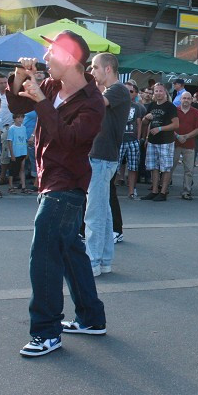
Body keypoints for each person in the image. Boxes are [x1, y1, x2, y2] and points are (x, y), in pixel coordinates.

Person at [6, 30, 106, 358]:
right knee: (70, 253)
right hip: (50, 180)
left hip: (66, 187)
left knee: (45, 254)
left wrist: (41, 101)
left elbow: (67, 140)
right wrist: (22, 76)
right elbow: (17, 102)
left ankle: (46, 331)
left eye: (51, 54)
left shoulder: (92, 103)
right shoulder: (52, 85)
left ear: (69, 58)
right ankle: (91, 318)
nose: (45, 59)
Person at [83, 53, 129, 277]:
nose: (92, 72)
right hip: (101, 156)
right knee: (104, 210)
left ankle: (92, 262)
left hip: (103, 157)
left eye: (94, 68)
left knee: (95, 213)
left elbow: (96, 104)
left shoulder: (118, 89)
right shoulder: (110, 91)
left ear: (108, 69)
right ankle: (104, 260)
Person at [140, 82, 179, 201]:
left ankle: (163, 192)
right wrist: (146, 118)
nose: (158, 93)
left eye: (160, 91)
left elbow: (176, 124)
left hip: (166, 141)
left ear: (165, 92)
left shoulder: (170, 106)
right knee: (154, 167)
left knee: (166, 167)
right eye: (156, 91)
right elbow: (144, 123)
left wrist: (160, 128)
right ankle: (154, 190)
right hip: (152, 140)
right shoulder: (152, 105)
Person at [172, 91, 198, 200]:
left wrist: (186, 136)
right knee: (170, 167)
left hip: (189, 145)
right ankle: (164, 189)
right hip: (175, 144)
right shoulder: (174, 111)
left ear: (192, 100)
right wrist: (177, 136)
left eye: (188, 98)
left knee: (189, 170)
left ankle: (187, 191)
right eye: (184, 98)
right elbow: (170, 126)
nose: (186, 100)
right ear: (180, 99)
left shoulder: (196, 112)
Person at [6, 112, 30, 194]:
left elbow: (25, 140)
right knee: (12, 169)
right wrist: (12, 153)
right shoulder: (12, 128)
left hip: (22, 151)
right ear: (14, 118)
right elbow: (9, 141)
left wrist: (26, 151)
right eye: (18, 117)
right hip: (15, 152)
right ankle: (10, 186)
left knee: (22, 168)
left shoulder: (24, 128)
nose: (20, 119)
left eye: (22, 117)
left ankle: (23, 186)